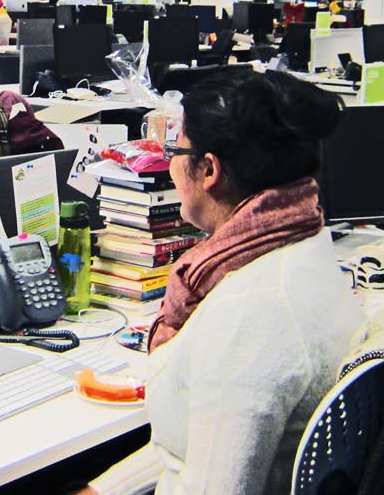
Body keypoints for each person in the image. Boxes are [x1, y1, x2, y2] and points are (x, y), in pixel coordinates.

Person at [83, 69, 364, 495]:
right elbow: (195, 446)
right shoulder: (304, 247)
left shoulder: (250, 313)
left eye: (175, 150)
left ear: (209, 169)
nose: (171, 165)